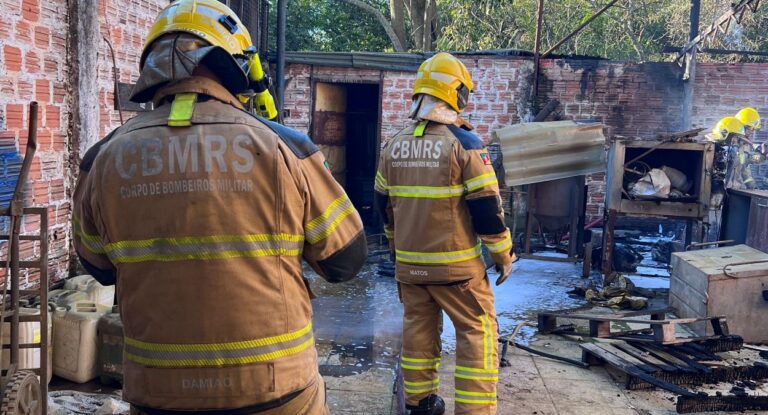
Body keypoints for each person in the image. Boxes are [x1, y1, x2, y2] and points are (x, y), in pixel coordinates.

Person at [72, 1, 367, 413]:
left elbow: (99, 267)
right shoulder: (285, 147)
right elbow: (344, 261)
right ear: (235, 66)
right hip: (276, 390)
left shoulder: (101, 159)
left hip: (158, 394)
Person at [374, 52, 515, 415]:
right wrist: (503, 255)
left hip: (409, 269)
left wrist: (395, 248)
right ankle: (474, 410)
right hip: (458, 273)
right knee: (477, 333)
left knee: (418, 337)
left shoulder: (392, 146)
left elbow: (383, 207)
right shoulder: (465, 145)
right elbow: (487, 210)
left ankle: (420, 406)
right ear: (454, 94)